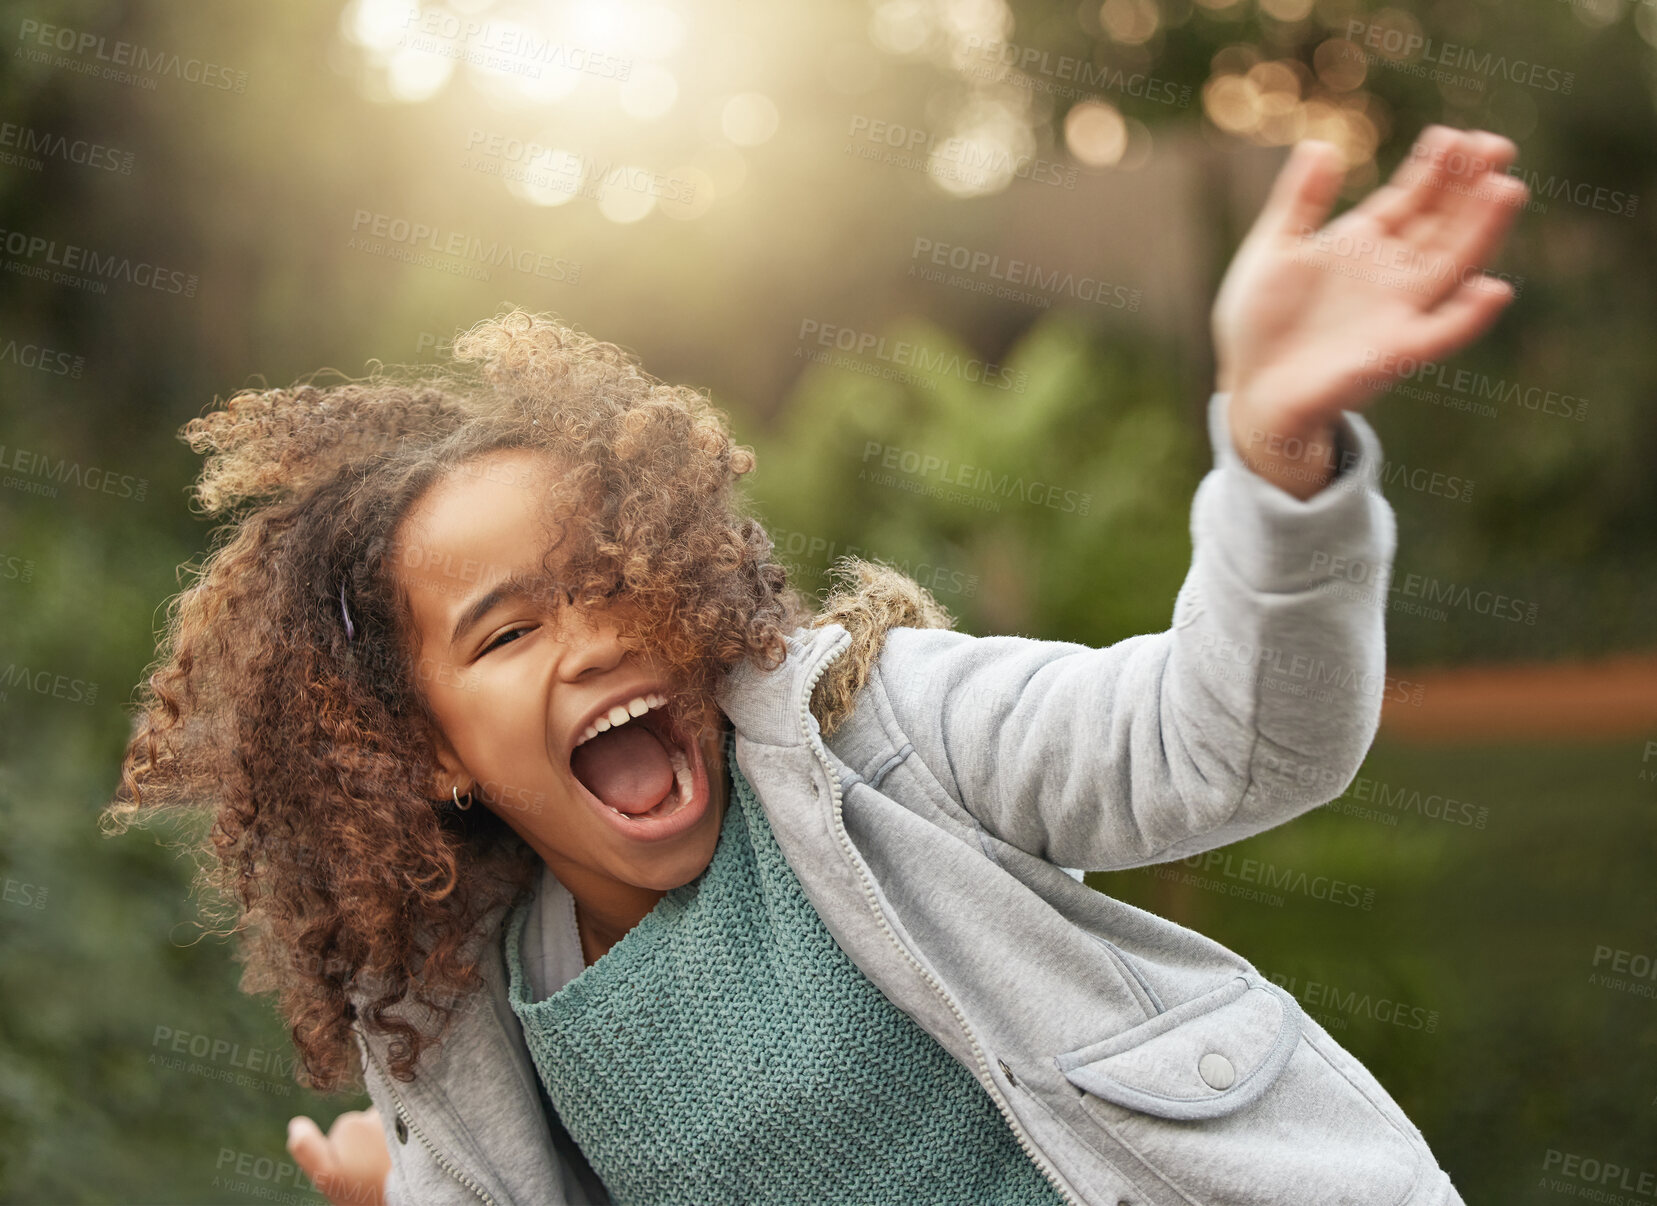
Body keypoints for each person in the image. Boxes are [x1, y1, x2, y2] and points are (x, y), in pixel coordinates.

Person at [105, 125, 1527, 1206]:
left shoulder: (874, 722)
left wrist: (1280, 461)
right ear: (421, 744)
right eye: (508, 626)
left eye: (611, 574)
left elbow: (1223, 742)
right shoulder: (457, 1000)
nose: (595, 630)